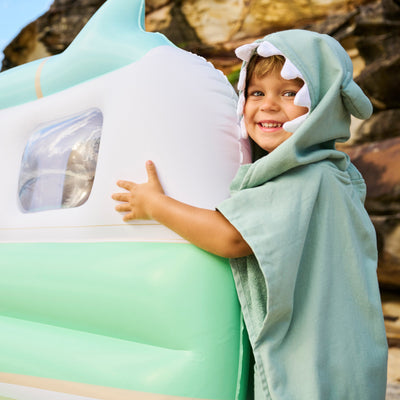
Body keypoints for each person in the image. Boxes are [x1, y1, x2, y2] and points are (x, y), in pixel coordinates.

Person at [112, 29, 388, 399]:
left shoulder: (305, 176)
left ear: (322, 105)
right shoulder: (334, 173)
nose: (268, 105)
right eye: (256, 92)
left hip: (310, 367)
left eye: (289, 94)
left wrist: (156, 204)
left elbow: (233, 236)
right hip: (342, 357)